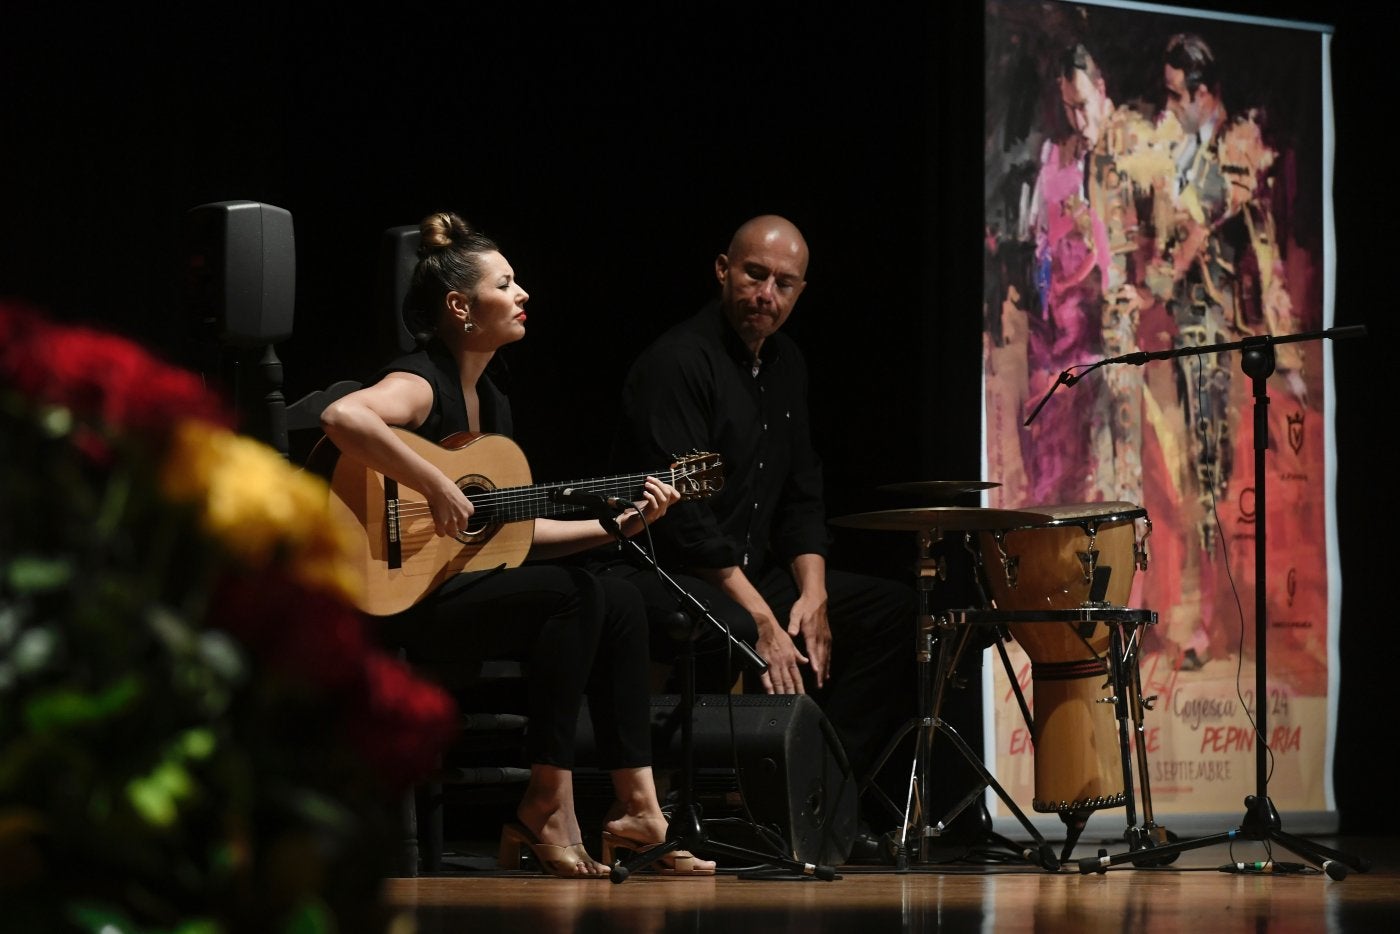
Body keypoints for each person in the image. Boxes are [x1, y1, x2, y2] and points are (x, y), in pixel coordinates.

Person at [319, 211, 715, 878]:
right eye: (504, 285)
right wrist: (434, 484)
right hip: (401, 597)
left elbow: (514, 535)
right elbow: (343, 416)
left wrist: (617, 527)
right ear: (460, 307)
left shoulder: (494, 405)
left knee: (619, 596)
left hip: (463, 589)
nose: (523, 293)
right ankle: (547, 805)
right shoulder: (421, 382)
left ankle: (640, 812)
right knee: (576, 596)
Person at [591, 215, 916, 835]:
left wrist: (814, 597)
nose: (767, 294)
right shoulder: (678, 362)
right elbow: (685, 522)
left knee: (891, 613)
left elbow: (801, 492)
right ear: (723, 270)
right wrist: (765, 619)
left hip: (745, 571)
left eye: (783, 284)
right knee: (740, 626)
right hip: (668, 569)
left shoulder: (787, 363)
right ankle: (679, 802)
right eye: (754, 275)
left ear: (799, 292)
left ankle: (818, 797)